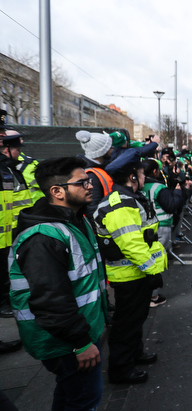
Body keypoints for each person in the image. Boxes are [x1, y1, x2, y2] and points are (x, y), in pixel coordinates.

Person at [8, 157, 108, 410]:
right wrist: (81, 342)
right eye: (82, 182)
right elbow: (50, 299)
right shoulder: (44, 236)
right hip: (64, 341)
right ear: (57, 191)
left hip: (77, 330)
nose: (90, 185)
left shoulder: (76, 219)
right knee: (84, 400)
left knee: (70, 394)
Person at [93, 152, 166, 384]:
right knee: (127, 322)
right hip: (130, 275)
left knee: (136, 318)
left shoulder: (128, 199)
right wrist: (152, 270)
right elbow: (133, 245)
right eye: (141, 173)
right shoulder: (121, 204)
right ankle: (121, 369)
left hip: (136, 274)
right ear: (132, 176)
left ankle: (135, 354)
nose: (144, 177)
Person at [142, 158, 186, 307]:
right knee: (156, 260)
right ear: (154, 171)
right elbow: (171, 205)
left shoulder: (139, 187)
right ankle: (152, 296)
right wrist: (178, 193)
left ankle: (148, 293)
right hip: (161, 225)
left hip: (145, 227)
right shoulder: (158, 187)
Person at [0, 132, 31, 318]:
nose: (20, 154)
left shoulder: (11, 169)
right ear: (7, 149)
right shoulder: (6, 169)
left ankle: (6, 302)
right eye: (17, 150)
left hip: (12, 230)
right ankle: (3, 304)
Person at [75, 130, 114, 218]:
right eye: (110, 147)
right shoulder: (91, 174)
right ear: (103, 151)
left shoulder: (98, 169)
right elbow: (92, 209)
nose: (112, 149)